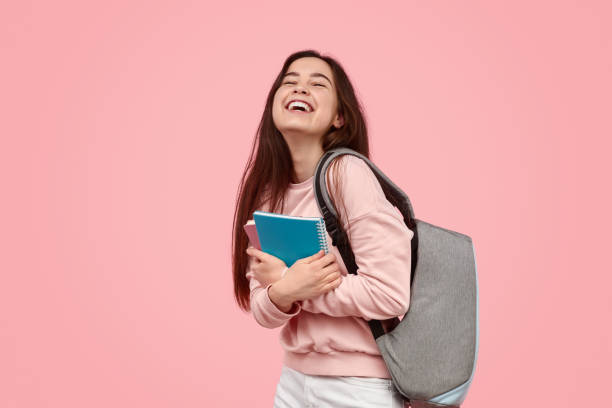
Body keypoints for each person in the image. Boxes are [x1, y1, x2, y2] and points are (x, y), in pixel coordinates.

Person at [232, 49, 413, 408]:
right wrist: (284, 290)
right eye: (290, 82)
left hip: (358, 387)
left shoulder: (347, 174)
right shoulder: (269, 191)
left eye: (318, 84)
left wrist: (295, 285)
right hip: (294, 383)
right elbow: (261, 307)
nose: (300, 88)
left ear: (339, 118)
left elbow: (391, 293)